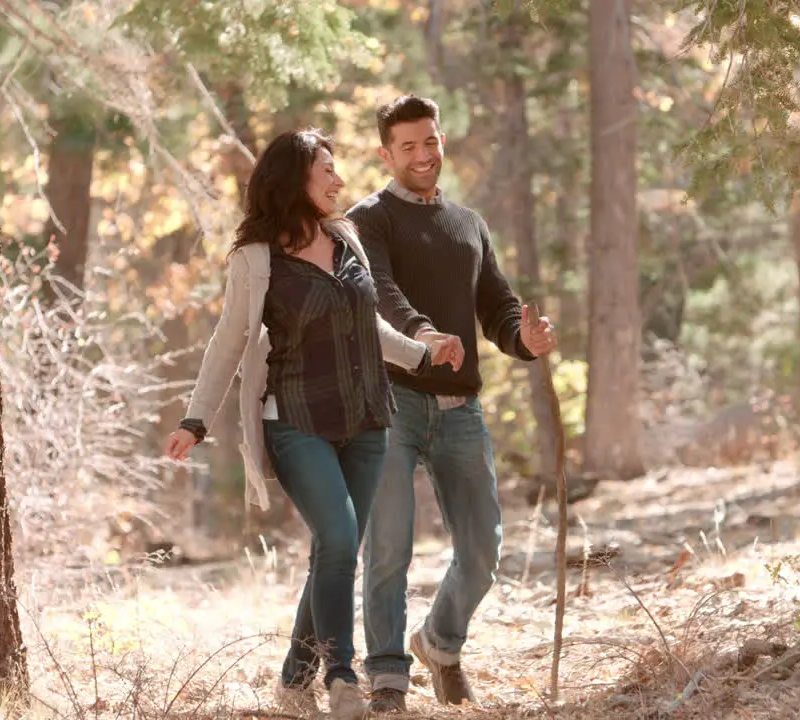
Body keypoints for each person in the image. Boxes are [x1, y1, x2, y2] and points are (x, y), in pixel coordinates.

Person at [163, 128, 464, 720]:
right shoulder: (256, 259)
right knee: (342, 540)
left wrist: (422, 353)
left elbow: (366, 325)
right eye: (327, 169)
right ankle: (341, 676)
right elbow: (229, 343)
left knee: (334, 546)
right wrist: (196, 421)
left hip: (367, 419)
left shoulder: (345, 236)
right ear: (296, 176)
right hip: (296, 419)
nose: (338, 179)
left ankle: (293, 680)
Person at [346, 95, 558, 713]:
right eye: (407, 146)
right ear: (387, 154)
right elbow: (378, 292)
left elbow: (496, 307)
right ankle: (388, 674)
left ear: (442, 142)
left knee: (484, 547)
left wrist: (526, 337)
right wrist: (424, 334)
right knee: (388, 546)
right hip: (391, 402)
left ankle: (439, 642)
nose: (422, 155)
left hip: (461, 408)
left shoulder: (469, 224)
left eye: (429, 142)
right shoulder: (369, 219)